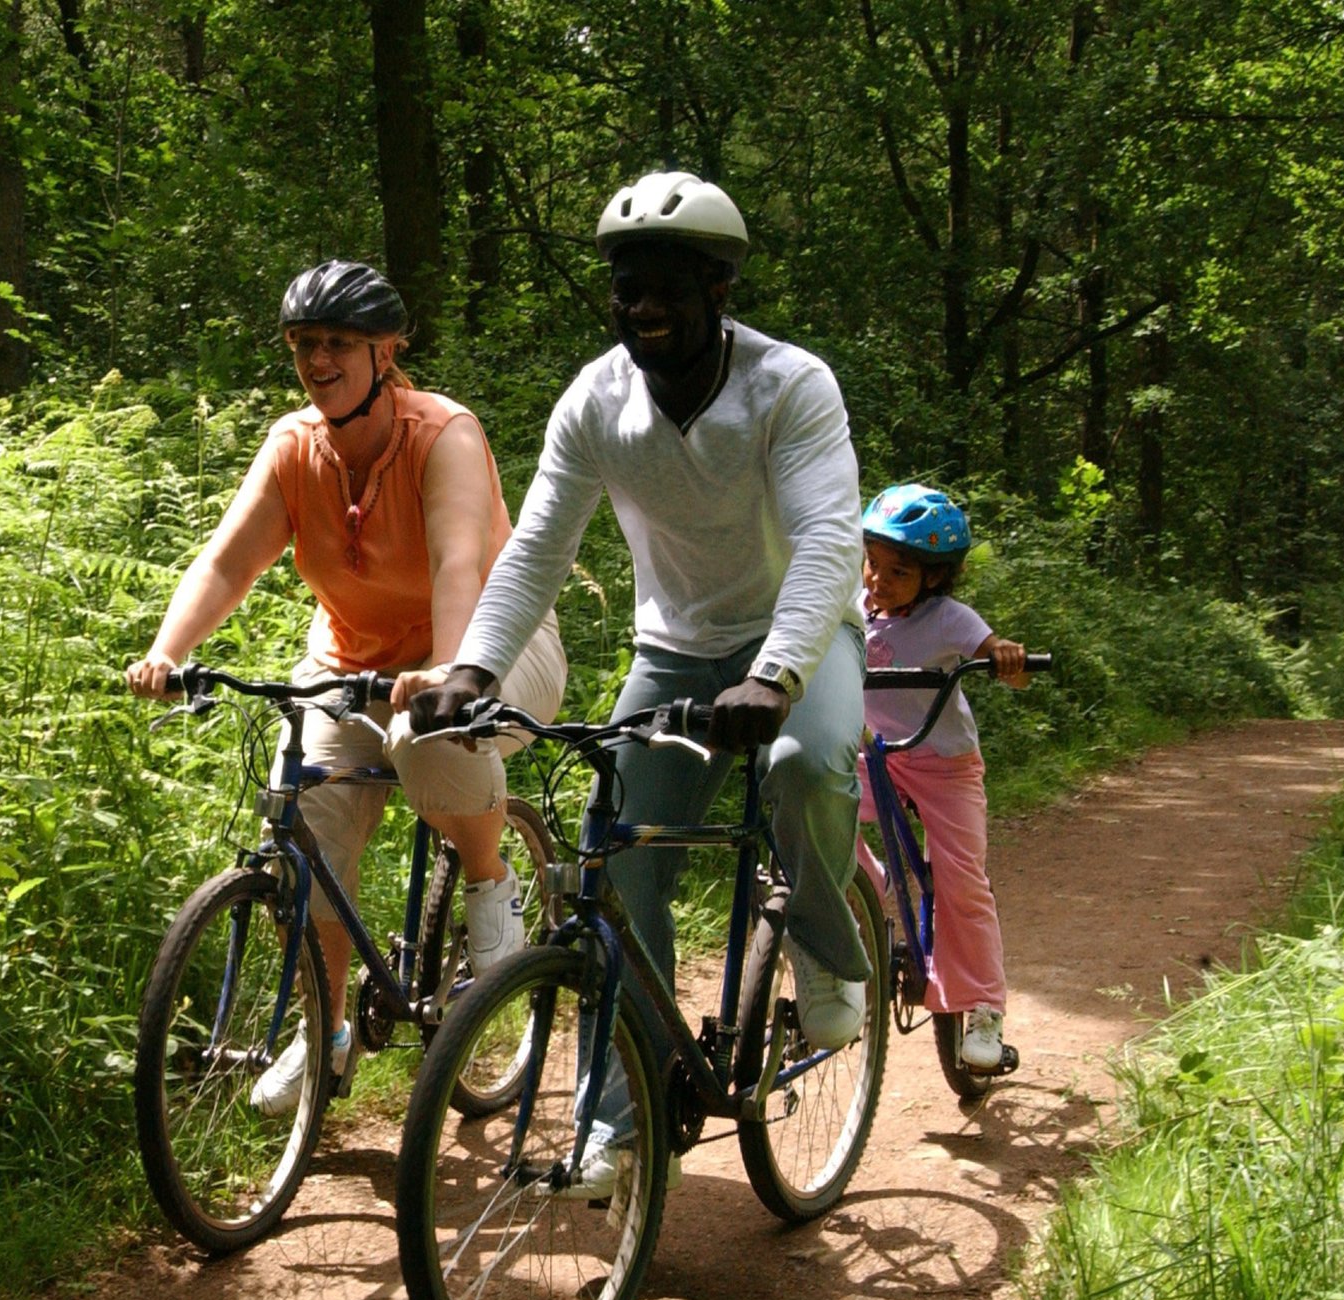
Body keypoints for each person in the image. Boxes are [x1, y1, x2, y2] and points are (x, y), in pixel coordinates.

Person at [411, 172, 870, 1193]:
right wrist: (474, 666)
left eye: (665, 283)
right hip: (674, 648)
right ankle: (619, 1123)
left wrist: (778, 674)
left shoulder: (790, 386)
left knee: (805, 764)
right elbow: (534, 547)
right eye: (625, 286)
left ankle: (831, 954)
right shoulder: (596, 400)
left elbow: (831, 539)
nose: (641, 304)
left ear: (717, 287)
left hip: (799, 639)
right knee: (611, 862)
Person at [126, 260, 567, 1115]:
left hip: (491, 644)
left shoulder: (445, 435)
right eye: (303, 344)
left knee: (431, 743)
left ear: (384, 352)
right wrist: (166, 650)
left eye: (336, 343)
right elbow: (228, 560)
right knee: (305, 822)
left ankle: (488, 881)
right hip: (352, 660)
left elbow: (459, 564)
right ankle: (323, 1031)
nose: (317, 360)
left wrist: (446, 671)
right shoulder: (296, 446)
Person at [857, 483, 1028, 1070]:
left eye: (898, 571)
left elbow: (1000, 655)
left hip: (944, 765)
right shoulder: (854, 608)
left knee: (960, 880)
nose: (878, 580)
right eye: (872, 563)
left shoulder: (950, 619)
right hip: (879, 756)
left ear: (932, 577)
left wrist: (1006, 657)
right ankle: (871, 892)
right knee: (812, 809)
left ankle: (982, 1008)